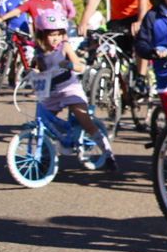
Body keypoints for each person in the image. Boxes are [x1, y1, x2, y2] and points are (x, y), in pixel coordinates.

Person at [28, 9, 116, 172]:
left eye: (59, 34)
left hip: (69, 87)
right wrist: (31, 71)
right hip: (51, 91)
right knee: (43, 124)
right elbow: (38, 66)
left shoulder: (64, 46)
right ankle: (44, 158)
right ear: (42, 35)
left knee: (85, 120)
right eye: (51, 34)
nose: (56, 39)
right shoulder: (39, 50)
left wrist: (68, 65)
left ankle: (108, 155)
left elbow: (79, 66)